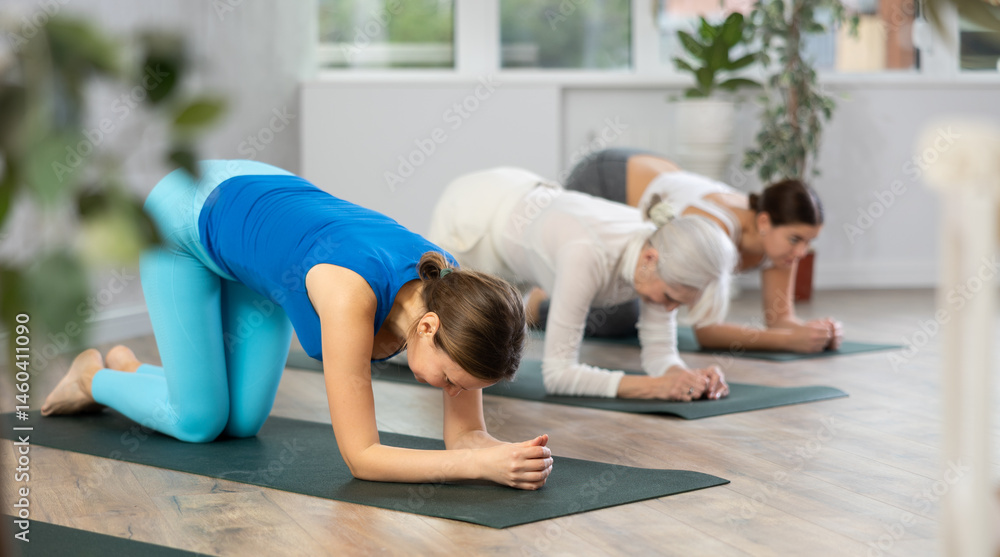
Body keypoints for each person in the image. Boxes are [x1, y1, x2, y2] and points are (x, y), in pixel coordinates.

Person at [41, 160, 553, 491]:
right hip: (187, 214)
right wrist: (474, 466)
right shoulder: (349, 297)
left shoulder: (456, 295)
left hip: (262, 239)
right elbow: (363, 458)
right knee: (200, 421)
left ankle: (133, 370)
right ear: (427, 327)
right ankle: (92, 378)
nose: (453, 392)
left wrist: (502, 455)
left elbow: (465, 436)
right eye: (452, 380)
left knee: (241, 424)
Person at [428, 167, 738, 400]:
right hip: (474, 215)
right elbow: (558, 374)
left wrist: (686, 377)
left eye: (679, 303)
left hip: (522, 217)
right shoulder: (587, 254)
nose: (670, 309)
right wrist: (654, 387)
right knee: (431, 345)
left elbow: (660, 352)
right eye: (670, 297)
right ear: (650, 259)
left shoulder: (662, 256)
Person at [556, 147, 843, 354]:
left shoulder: (782, 246)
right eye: (796, 239)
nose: (802, 251)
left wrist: (816, 332)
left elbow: (779, 319)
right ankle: (542, 298)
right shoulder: (715, 231)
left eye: (809, 242)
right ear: (765, 222)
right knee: (619, 317)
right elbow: (707, 331)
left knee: (641, 305)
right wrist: (789, 341)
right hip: (607, 177)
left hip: (655, 174)